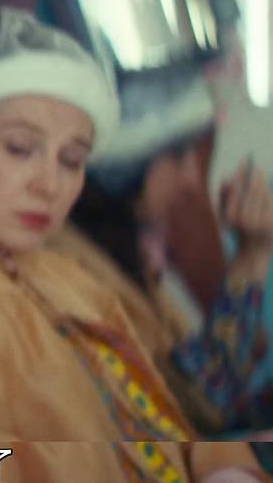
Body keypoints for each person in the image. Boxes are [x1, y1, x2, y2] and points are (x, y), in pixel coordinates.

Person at [0, 6, 267, 482]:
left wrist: (223, 467)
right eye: (19, 148)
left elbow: (167, 415)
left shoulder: (59, 275)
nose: (49, 184)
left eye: (71, 160)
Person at [56, 66, 273, 435]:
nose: (191, 180)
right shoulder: (72, 268)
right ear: (130, 163)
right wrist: (252, 258)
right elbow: (188, 407)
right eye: (178, 156)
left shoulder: (122, 256)